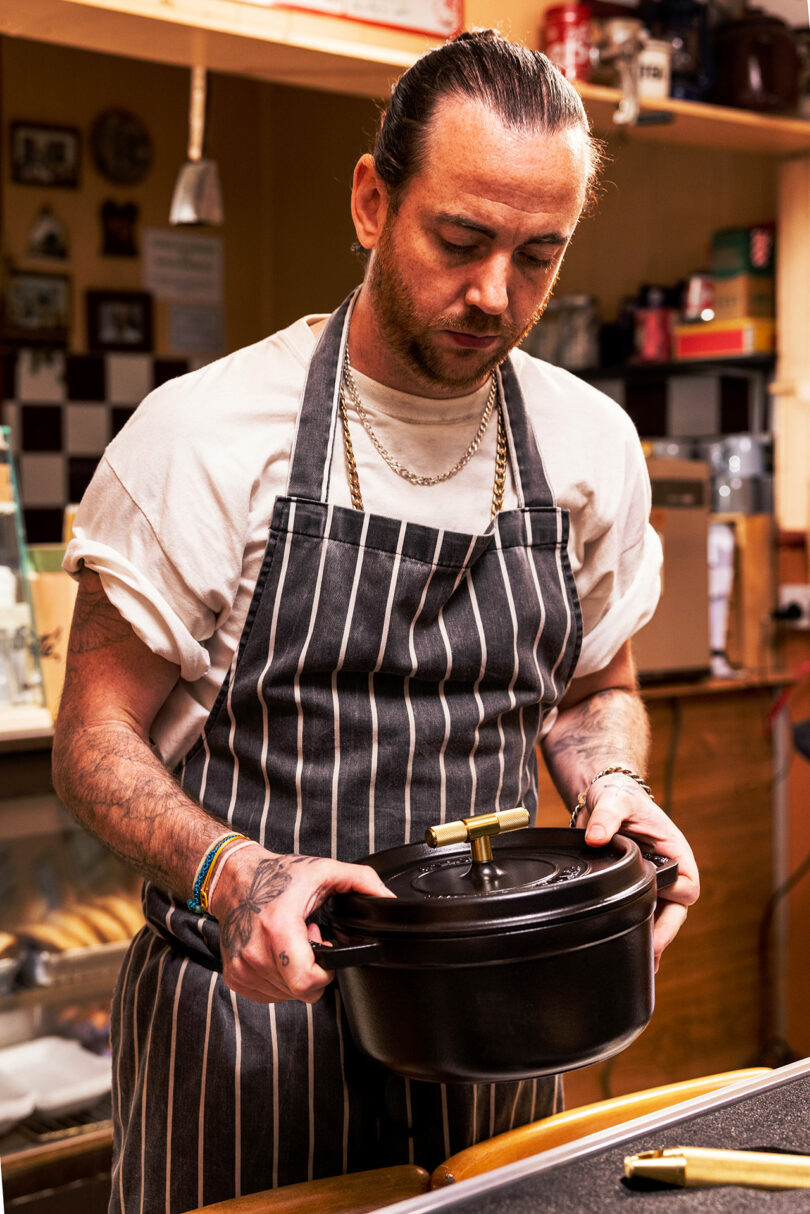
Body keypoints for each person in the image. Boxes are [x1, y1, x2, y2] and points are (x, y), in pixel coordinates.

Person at [52, 28, 699, 1213]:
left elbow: (595, 689)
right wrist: (235, 870)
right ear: (371, 200)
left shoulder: (589, 446)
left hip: (494, 1026)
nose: (494, 294)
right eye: (459, 239)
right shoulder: (202, 439)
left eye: (537, 256)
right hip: (243, 1030)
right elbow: (93, 739)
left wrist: (615, 782)